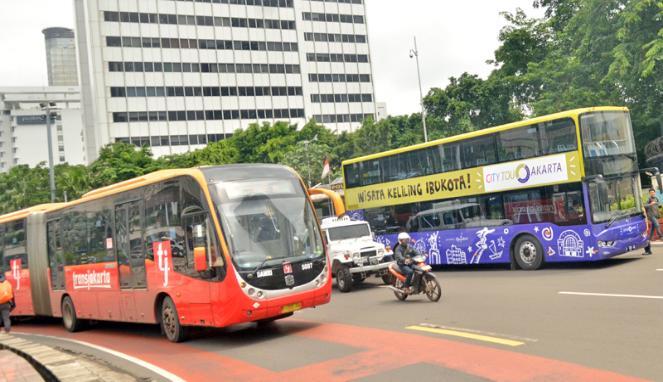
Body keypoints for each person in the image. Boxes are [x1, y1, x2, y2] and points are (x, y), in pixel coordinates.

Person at [643, 188, 662, 255]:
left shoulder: (656, 198)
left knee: (653, 229)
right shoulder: (648, 199)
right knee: (657, 224)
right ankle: (661, 236)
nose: (652, 193)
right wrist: (650, 204)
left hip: (656, 215)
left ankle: (649, 239)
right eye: (651, 192)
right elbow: (644, 206)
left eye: (653, 192)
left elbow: (658, 206)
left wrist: (659, 208)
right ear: (649, 193)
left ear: (654, 193)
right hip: (651, 215)